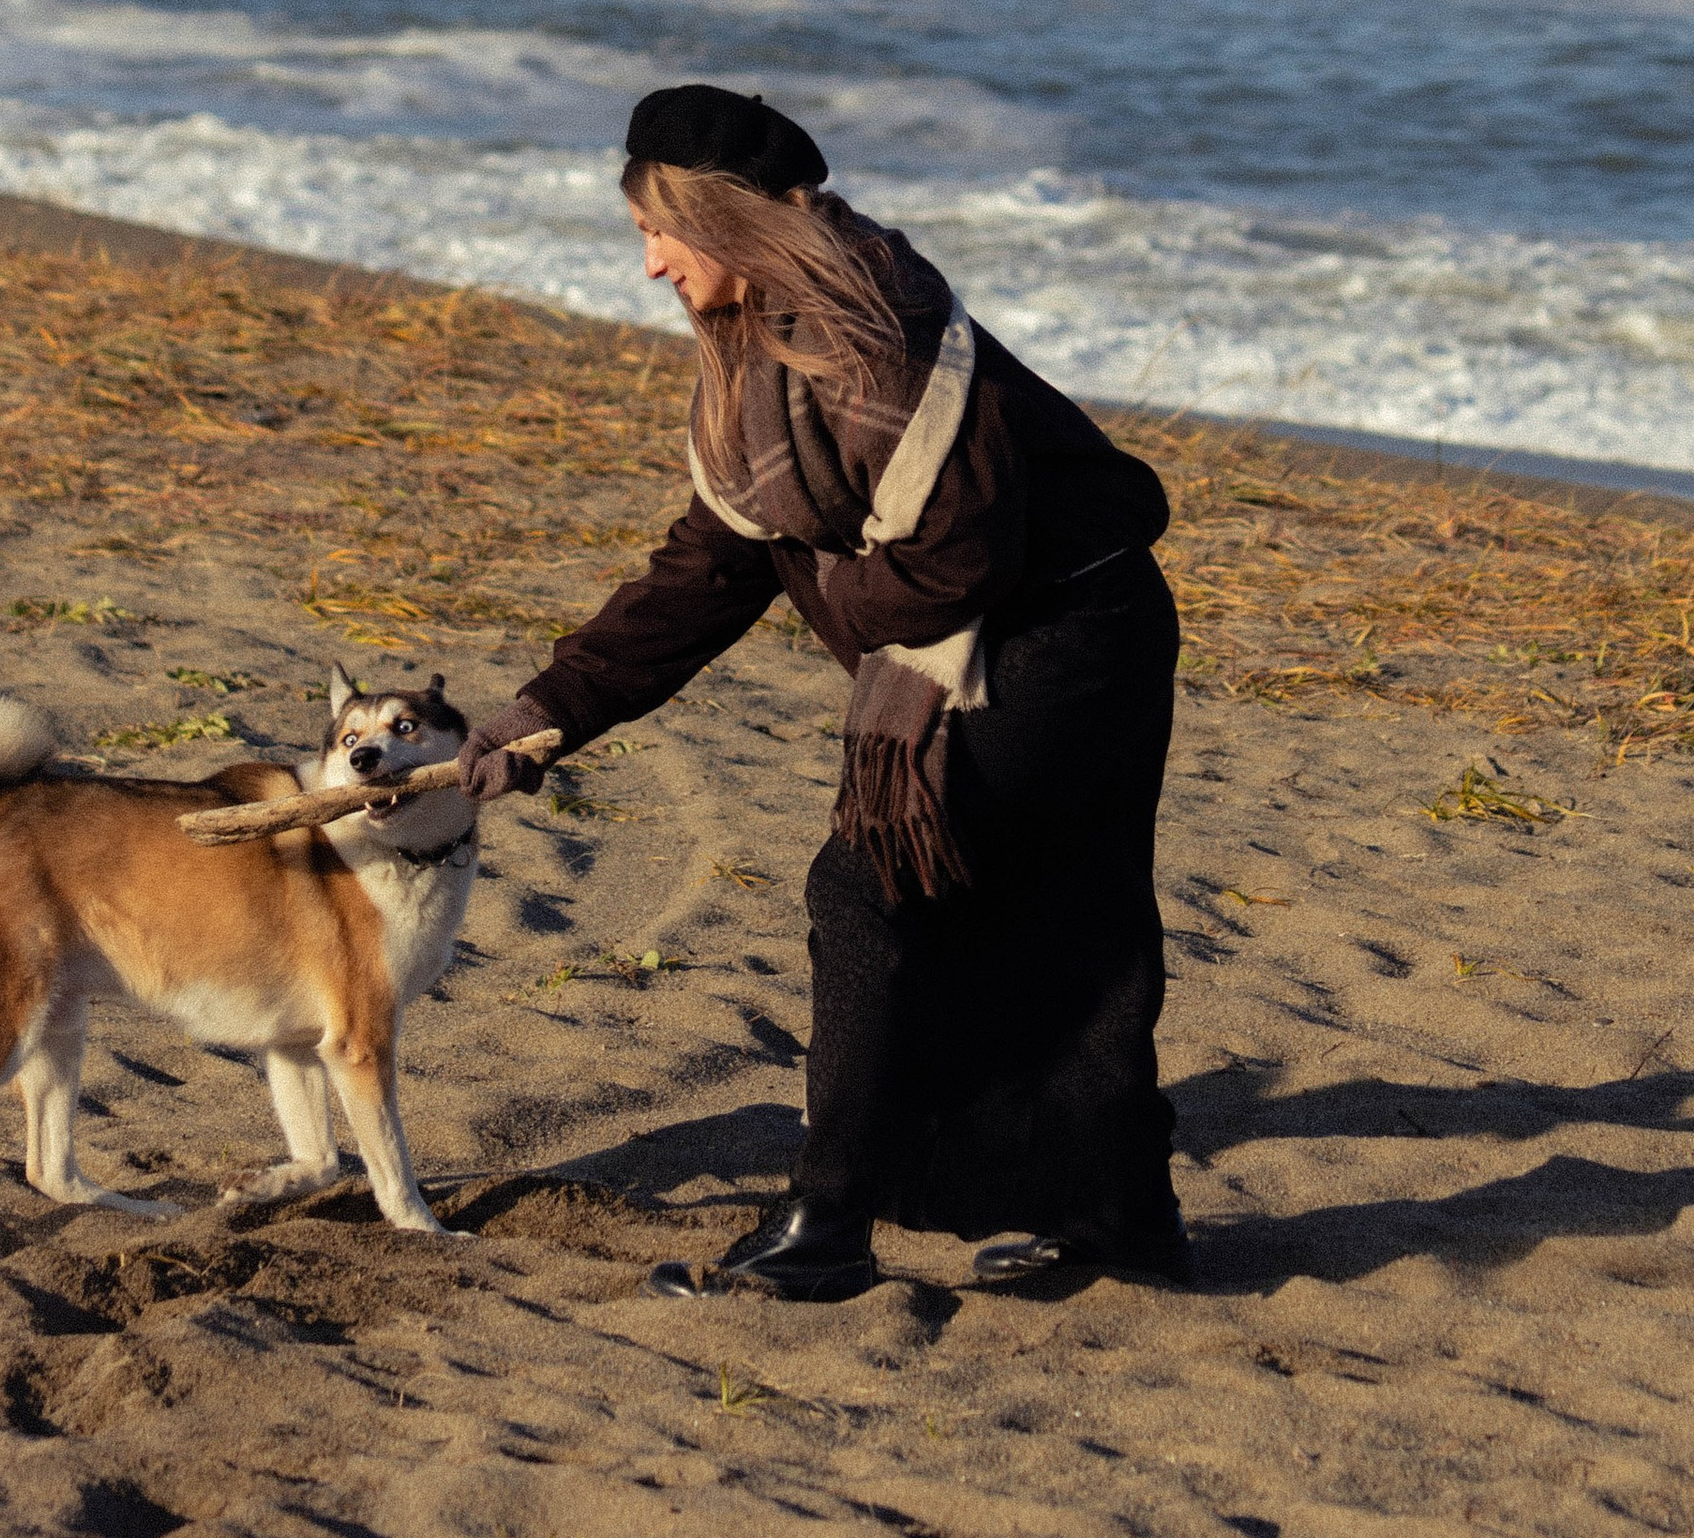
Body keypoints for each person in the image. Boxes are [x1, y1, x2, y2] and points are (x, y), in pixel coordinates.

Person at [457, 83, 1188, 1302]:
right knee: (1068, 920)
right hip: (1019, 628)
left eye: (659, 234)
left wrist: (835, 605)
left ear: (726, 225)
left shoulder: (870, 338)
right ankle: (1121, 1218)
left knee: (878, 889)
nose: (648, 268)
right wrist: (552, 708)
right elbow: (718, 558)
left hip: (1068, 630)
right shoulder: (765, 343)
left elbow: (955, 557)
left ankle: (833, 1216)